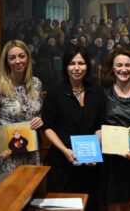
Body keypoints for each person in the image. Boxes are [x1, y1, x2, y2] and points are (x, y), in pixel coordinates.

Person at [41, 46, 107, 211]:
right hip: (62, 163)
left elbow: (101, 125)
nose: (77, 68)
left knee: (90, 206)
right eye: (72, 63)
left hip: (90, 165)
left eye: (81, 63)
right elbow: (48, 127)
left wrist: (93, 151)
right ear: (65, 66)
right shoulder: (55, 92)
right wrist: (65, 150)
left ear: (87, 66)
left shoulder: (97, 92)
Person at [0, 40, 43, 189]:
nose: (18, 61)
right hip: (6, 156)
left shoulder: (37, 84)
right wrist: (0, 143)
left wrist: (40, 120)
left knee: (28, 198)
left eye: (21, 56)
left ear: (27, 57)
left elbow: (38, 112)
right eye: (12, 57)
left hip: (30, 153)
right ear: (7, 61)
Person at [100, 47, 130, 211]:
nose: (123, 69)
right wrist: (116, 148)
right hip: (111, 162)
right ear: (112, 68)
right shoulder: (103, 93)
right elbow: (97, 126)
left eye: (128, 65)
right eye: (119, 65)